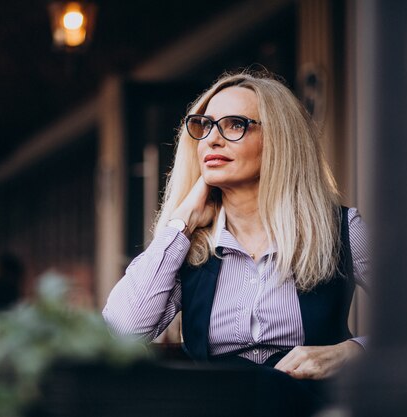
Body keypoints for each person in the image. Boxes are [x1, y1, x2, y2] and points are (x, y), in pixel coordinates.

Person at [102, 70, 369, 412]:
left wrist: (352, 352)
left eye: (233, 125)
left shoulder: (341, 229)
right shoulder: (188, 246)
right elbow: (120, 333)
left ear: (279, 139)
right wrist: (181, 223)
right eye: (205, 125)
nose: (212, 140)